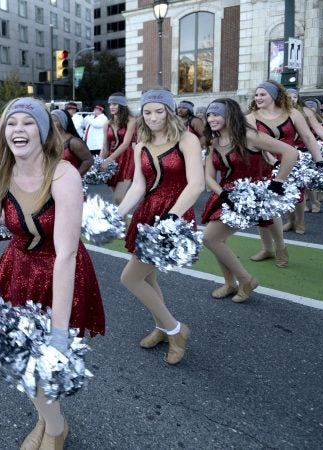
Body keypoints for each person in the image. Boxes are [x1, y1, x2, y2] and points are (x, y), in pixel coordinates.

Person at [0, 98, 104, 450]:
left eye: (28, 123)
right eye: (12, 124)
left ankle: (55, 428)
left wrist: (59, 331)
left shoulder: (63, 174)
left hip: (58, 270)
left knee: (43, 360)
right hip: (19, 269)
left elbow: (67, 253)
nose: (18, 130)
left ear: (42, 132)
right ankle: (49, 419)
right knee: (19, 357)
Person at [117, 88, 204, 365]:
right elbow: (139, 187)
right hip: (147, 214)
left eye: (159, 110)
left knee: (130, 278)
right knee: (147, 277)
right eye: (147, 111)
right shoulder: (140, 145)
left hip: (173, 216)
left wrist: (173, 217)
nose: (153, 117)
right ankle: (162, 328)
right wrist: (116, 213)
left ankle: (176, 330)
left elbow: (197, 184)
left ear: (169, 111)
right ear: (141, 114)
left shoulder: (186, 139)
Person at [201, 99, 297, 303]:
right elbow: (209, 176)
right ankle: (229, 283)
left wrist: (278, 182)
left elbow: (291, 152)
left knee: (210, 238)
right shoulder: (214, 141)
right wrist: (223, 194)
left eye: (217, 114)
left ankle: (246, 280)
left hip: (252, 196)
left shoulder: (250, 136)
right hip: (226, 195)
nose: (211, 119)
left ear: (230, 115)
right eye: (209, 115)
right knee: (218, 240)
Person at [245, 80, 323, 265]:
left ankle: (282, 244)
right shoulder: (251, 117)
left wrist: (319, 161)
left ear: (274, 95)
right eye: (256, 95)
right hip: (263, 165)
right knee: (264, 209)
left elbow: (308, 137)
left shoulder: (292, 113)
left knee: (291, 201)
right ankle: (267, 248)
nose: (258, 98)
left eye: (262, 94)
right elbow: (253, 142)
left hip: (289, 164)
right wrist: (270, 160)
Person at [102, 92, 137, 205]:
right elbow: (104, 145)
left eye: (115, 104)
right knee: (118, 200)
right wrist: (100, 161)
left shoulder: (131, 121)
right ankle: (124, 221)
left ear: (122, 105)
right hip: (111, 160)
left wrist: (108, 160)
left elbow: (126, 143)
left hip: (126, 159)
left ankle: (122, 220)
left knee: (118, 197)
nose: (111, 107)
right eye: (110, 104)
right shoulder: (107, 123)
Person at [50, 109, 93, 176]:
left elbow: (88, 160)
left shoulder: (74, 142)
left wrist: (76, 176)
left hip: (70, 181)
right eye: (50, 121)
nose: (51, 123)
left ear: (63, 122)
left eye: (55, 121)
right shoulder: (50, 140)